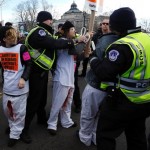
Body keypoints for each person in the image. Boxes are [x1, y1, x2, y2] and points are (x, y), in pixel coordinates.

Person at [89, 7, 150, 150]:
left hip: (122, 101)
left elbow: (104, 72)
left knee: (105, 135)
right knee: (137, 136)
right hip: (144, 101)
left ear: (117, 26)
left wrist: (93, 59)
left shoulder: (122, 45)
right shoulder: (147, 38)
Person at [21, 11, 79, 143]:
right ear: (45, 20)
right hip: (35, 72)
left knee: (41, 100)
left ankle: (41, 119)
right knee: (33, 102)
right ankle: (23, 129)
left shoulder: (45, 32)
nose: (52, 22)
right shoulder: (39, 32)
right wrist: (73, 41)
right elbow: (53, 44)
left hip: (42, 72)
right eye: (50, 20)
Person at [47, 21, 89, 135]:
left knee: (68, 101)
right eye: (72, 29)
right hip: (61, 77)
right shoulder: (62, 41)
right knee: (58, 102)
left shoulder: (71, 43)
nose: (74, 31)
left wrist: (85, 54)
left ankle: (66, 121)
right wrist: (84, 39)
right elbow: (74, 50)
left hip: (70, 77)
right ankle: (52, 123)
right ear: (66, 31)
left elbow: (77, 57)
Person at [77, 31, 119, 146]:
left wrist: (93, 56)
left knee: (89, 113)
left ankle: (86, 137)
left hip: (97, 86)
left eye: (108, 23)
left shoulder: (107, 40)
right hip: (110, 87)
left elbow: (99, 62)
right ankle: (91, 136)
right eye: (103, 23)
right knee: (97, 115)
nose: (105, 25)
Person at [0, 26, 31, 147]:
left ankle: (15, 134)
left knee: (19, 113)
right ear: (4, 39)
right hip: (7, 88)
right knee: (7, 111)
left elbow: (29, 64)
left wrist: (24, 78)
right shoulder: (0, 50)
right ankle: (13, 127)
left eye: (14, 36)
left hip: (20, 88)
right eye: (10, 37)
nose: (14, 39)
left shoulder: (22, 48)